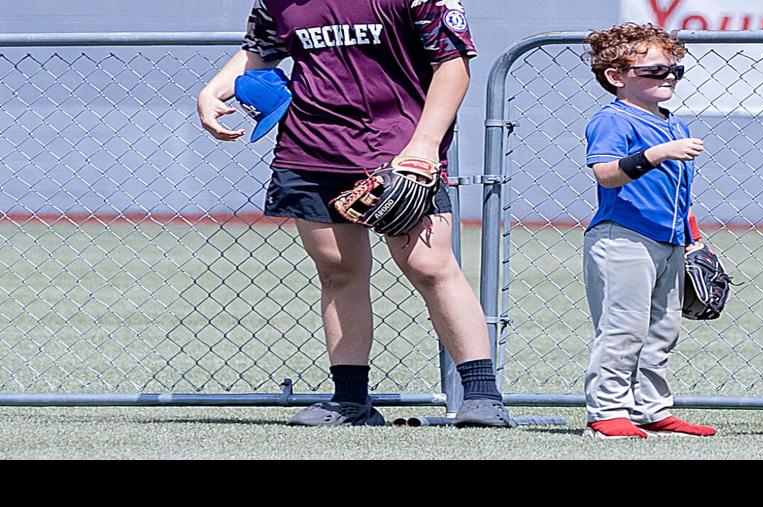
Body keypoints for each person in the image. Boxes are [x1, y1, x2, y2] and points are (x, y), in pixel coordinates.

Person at [196, 0, 514, 427]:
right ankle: (350, 400)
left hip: (400, 151)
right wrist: (213, 89)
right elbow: (260, 50)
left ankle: (481, 395)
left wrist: (424, 144)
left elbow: (452, 64)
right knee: (337, 271)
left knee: (430, 266)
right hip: (309, 151)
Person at [579, 23, 717, 440]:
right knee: (624, 328)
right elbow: (605, 175)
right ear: (616, 76)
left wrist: (693, 238)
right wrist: (656, 154)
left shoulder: (674, 123)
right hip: (624, 237)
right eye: (654, 70)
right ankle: (606, 412)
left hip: (669, 239)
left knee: (663, 329)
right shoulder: (613, 120)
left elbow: (680, 192)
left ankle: (650, 409)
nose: (668, 77)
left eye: (674, 70)